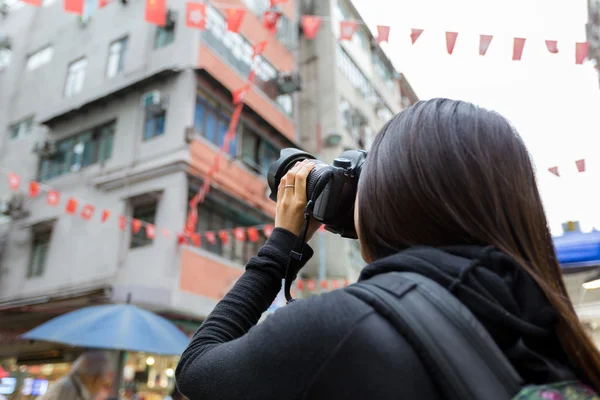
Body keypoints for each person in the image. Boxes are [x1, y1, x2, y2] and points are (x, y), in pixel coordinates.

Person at [176, 99, 600, 399]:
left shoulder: (341, 328)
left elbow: (196, 368)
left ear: (388, 195)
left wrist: (282, 242)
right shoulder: (549, 328)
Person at [40, 351, 110, 400]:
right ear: (94, 378)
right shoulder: (68, 389)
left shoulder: (76, 388)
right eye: (102, 379)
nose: (101, 386)